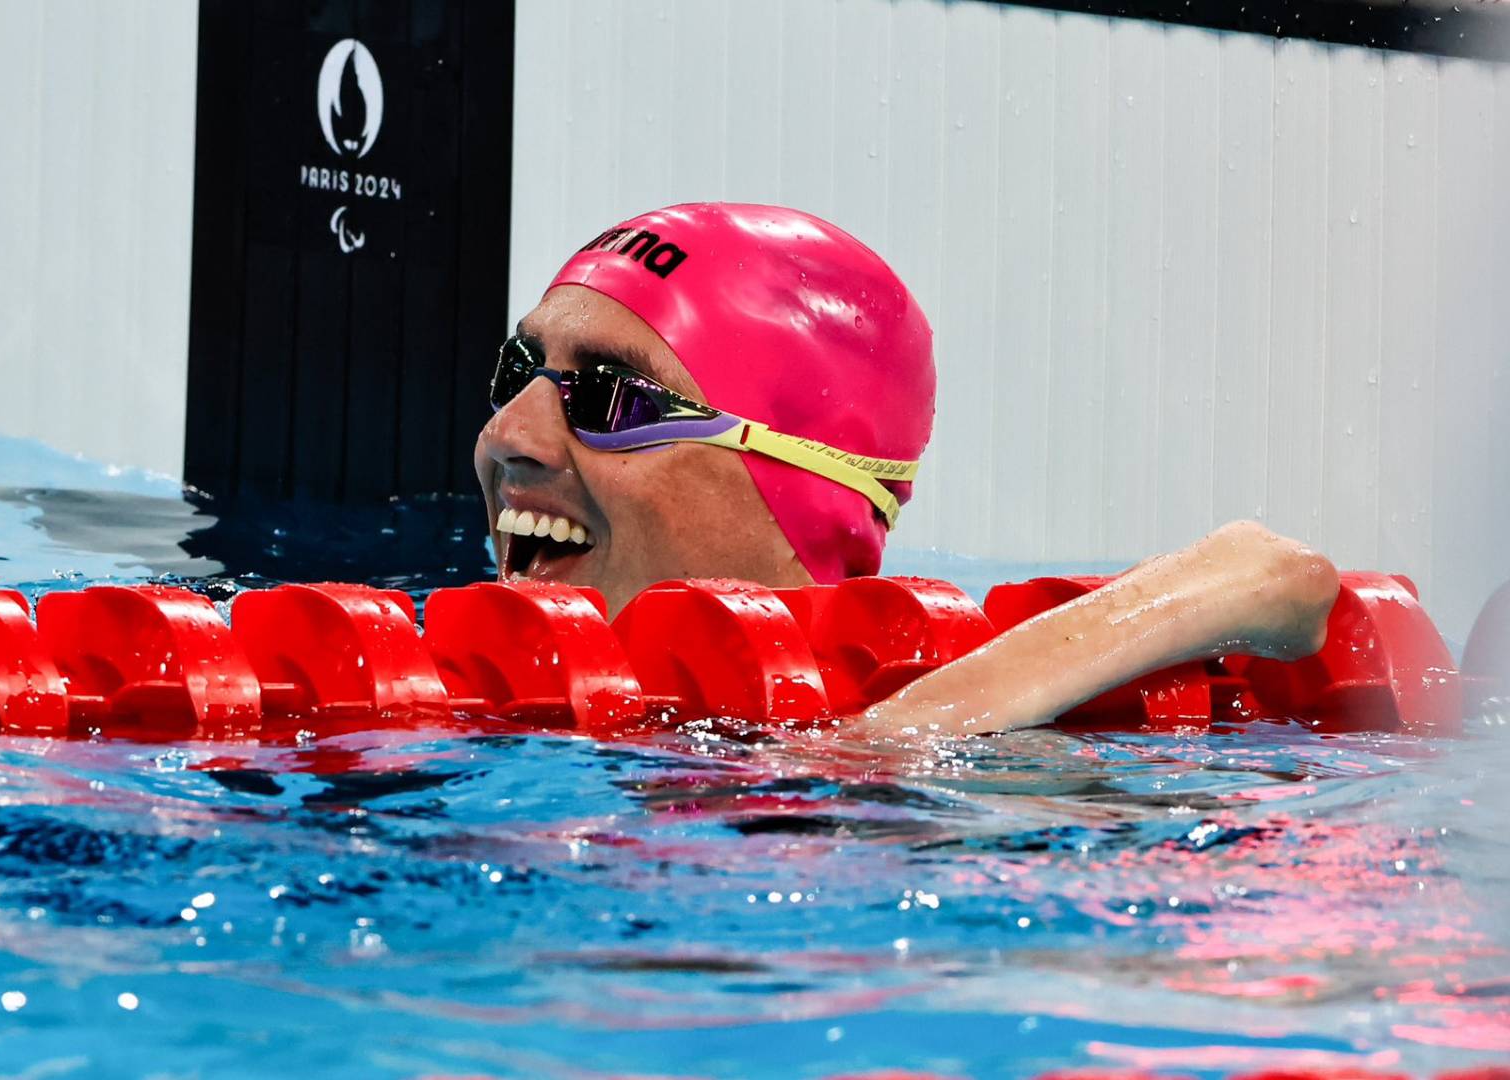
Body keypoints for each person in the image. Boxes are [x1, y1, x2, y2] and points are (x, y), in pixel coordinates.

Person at [474, 203, 1339, 738]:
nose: (510, 434)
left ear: (802, 484)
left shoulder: (967, 781)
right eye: (519, 373)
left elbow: (1266, 578)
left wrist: (894, 738)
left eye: (612, 397)